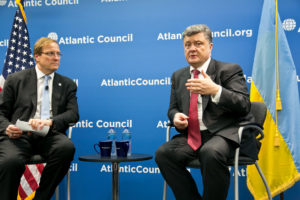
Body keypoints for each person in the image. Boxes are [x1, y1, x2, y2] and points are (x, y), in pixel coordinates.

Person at [155, 24, 259, 200]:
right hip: (193, 136)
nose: (192, 49)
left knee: (210, 152)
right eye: (187, 45)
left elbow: (243, 105)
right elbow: (173, 108)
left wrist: (215, 90)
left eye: (198, 43)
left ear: (210, 47)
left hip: (224, 134)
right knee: (163, 154)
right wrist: (176, 117)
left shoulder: (229, 70)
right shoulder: (178, 76)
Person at [0, 37, 79, 200]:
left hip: (49, 134)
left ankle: (41, 198)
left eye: (58, 54)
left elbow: (73, 114)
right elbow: (1, 112)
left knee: (66, 147)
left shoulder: (67, 84)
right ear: (37, 56)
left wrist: (50, 122)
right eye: (50, 53)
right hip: (18, 136)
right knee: (10, 162)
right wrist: (7, 127)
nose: (56, 57)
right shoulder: (15, 79)